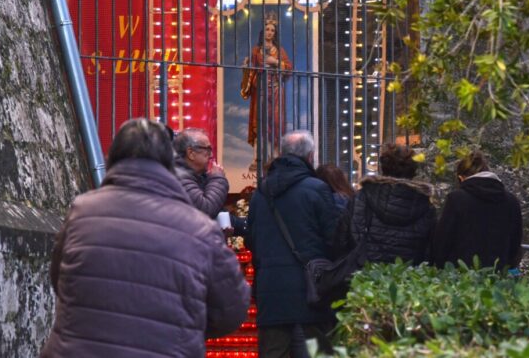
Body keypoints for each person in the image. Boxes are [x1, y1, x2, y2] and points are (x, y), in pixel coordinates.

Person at [41, 118, 250, 357]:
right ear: (171, 162)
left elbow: (59, 279)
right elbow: (231, 309)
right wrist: (188, 327)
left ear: (113, 157)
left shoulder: (81, 212)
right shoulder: (199, 228)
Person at [246, 130, 341, 357]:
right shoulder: (317, 189)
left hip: (271, 289)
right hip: (312, 290)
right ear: (310, 156)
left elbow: (252, 239)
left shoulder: (261, 193)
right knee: (315, 351)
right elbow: (334, 239)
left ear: (282, 153)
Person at [334, 144, 436, 265]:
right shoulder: (425, 205)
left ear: (383, 167)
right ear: (413, 171)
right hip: (410, 278)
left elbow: (341, 239)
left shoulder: (362, 198)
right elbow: (430, 249)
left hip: (364, 276)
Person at [432, 150, 523, 270]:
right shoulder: (511, 201)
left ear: (461, 178)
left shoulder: (457, 199)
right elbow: (515, 245)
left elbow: (442, 242)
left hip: (461, 277)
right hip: (497, 275)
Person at [241, 12, 293, 171]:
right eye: (267, 29)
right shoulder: (257, 50)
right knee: (260, 124)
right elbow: (251, 71)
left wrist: (275, 62)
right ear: (263, 32)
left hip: (276, 92)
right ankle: (258, 159)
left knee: (275, 124)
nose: (270, 32)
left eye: (272, 30)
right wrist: (246, 69)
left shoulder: (280, 51)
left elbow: (289, 69)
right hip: (261, 92)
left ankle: (276, 158)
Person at [172, 127, 228, 218]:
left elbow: (219, 212)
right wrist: (217, 178)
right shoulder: (179, 178)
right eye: (208, 149)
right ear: (191, 153)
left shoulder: (199, 176)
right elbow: (206, 210)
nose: (211, 155)